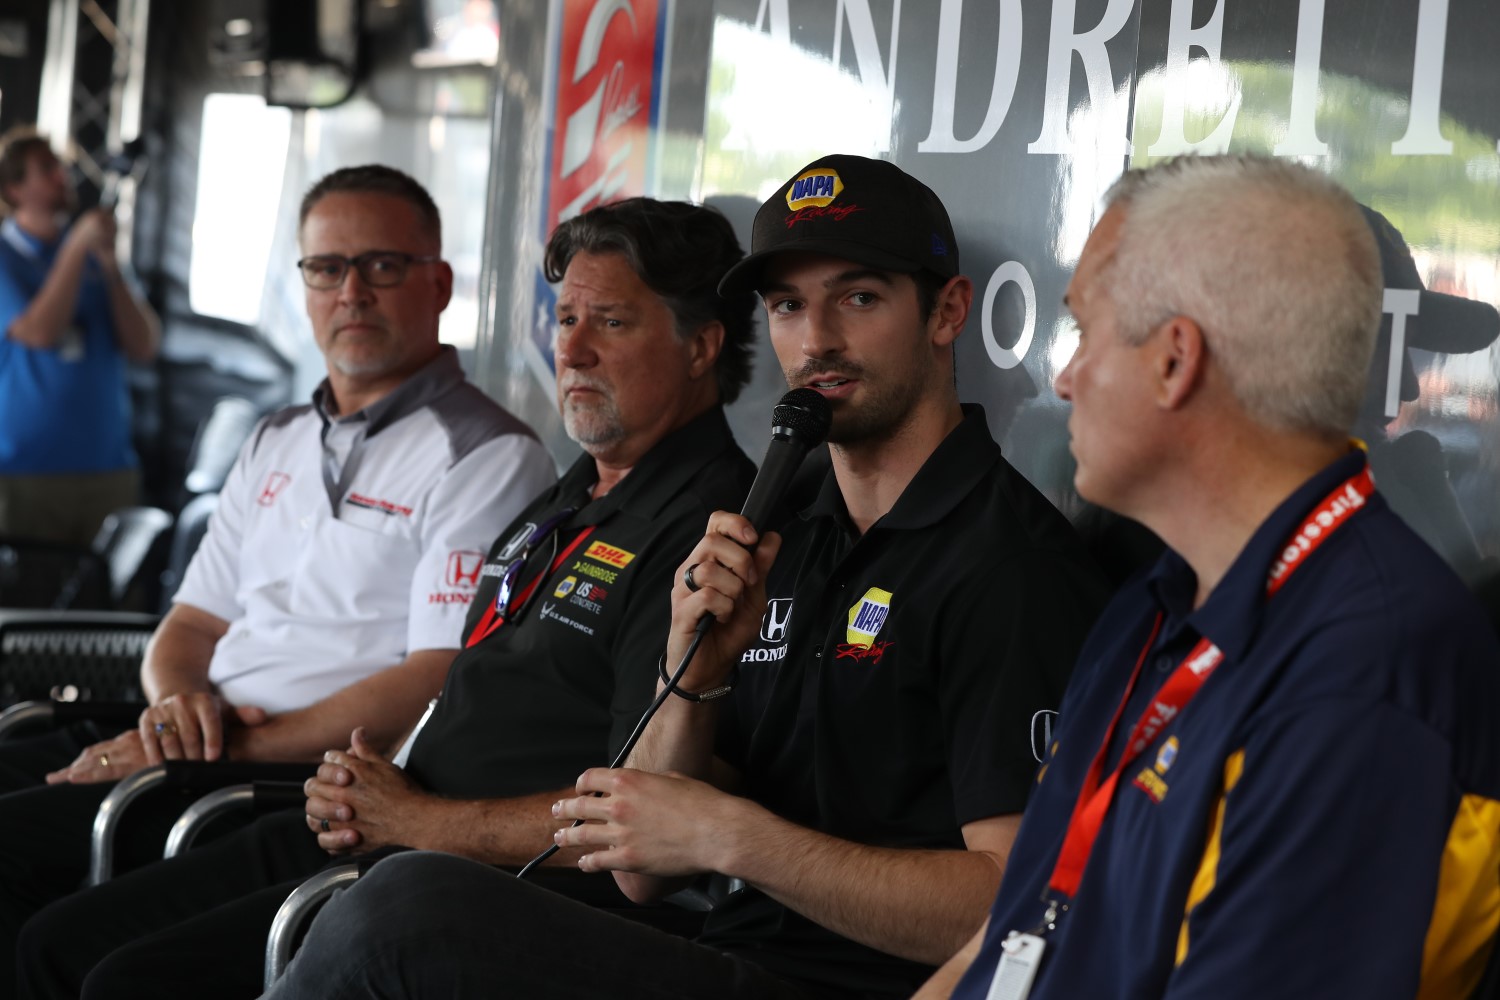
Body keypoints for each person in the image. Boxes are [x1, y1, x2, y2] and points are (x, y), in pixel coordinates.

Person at [261, 154, 1112, 1000]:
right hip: (722, 949)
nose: (816, 340)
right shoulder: (782, 527)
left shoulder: (1010, 563)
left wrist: (737, 840)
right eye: (787, 306)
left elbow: (1018, 905)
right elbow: (642, 871)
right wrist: (691, 671)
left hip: (857, 983)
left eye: (858, 298)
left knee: (412, 908)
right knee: (384, 904)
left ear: (947, 311)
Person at [16, 196, 760, 1000]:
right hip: (378, 821)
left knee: (128, 982)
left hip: (476, 877)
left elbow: (641, 817)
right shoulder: (572, 494)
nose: (570, 350)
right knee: (66, 944)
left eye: (609, 323)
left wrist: (416, 820)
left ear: (701, 347)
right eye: (565, 317)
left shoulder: (708, 532)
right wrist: (364, 780)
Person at [919, 155, 1500, 999]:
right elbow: (1015, 931)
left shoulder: (1364, 677)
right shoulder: (1156, 601)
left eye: (1084, 330)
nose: (1064, 375)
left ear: (1174, 360)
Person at [0, 164, 556, 988]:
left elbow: (431, 680)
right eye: (327, 268)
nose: (352, 292)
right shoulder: (276, 436)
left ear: (438, 284)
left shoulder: (488, 454)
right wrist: (176, 708)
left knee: (53, 934)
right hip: (193, 740)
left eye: (383, 265)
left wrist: (214, 744)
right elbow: (186, 628)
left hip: (296, 776)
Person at [0, 127, 161, 547]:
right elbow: (38, 333)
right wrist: (75, 249)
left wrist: (111, 268)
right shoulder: (6, 258)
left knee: (109, 606)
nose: (62, 176)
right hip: (26, 472)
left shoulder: (92, 252)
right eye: (46, 169)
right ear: (15, 189)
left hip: (107, 465)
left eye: (59, 165)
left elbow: (144, 345)